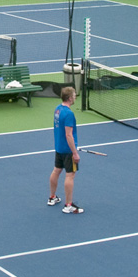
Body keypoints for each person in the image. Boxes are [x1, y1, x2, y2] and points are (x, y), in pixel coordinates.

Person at [48, 86, 84, 214]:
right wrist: (75, 153)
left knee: (56, 170)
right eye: (74, 95)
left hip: (59, 147)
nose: (75, 97)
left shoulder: (57, 109)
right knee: (70, 175)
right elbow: (69, 135)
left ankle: (52, 197)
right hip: (68, 150)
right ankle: (68, 205)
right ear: (69, 98)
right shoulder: (69, 114)